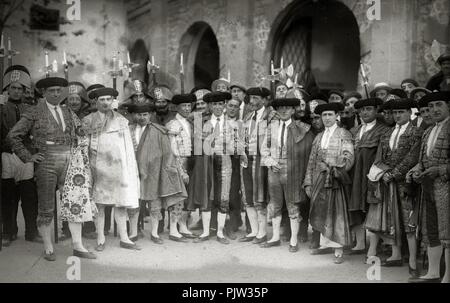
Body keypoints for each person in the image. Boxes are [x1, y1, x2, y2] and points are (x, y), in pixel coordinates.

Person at [8, 76, 96, 260]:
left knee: (75, 202)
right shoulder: (34, 111)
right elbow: (13, 135)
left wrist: (83, 135)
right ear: (43, 93)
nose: (56, 94)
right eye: (51, 91)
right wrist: (28, 156)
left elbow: (81, 131)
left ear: (62, 92)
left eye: (58, 90)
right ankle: (48, 247)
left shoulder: (68, 112)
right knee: (46, 205)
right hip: (46, 160)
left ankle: (77, 245)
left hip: (70, 160)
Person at [364, 99, 423, 276]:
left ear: (409, 113)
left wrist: (394, 174)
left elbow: (413, 157)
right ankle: (396, 255)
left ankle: (413, 261)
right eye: (395, 112)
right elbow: (380, 157)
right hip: (388, 182)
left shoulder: (416, 132)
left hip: (406, 183)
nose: (397, 116)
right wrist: (383, 173)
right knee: (393, 220)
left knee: (409, 222)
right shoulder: (387, 133)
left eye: (401, 112)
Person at [82, 87, 141, 251]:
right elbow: (84, 145)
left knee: (120, 204)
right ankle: (100, 237)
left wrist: (128, 167)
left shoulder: (121, 120)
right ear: (96, 101)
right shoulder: (88, 120)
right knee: (100, 204)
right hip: (98, 167)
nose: (106, 102)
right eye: (102, 100)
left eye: (109, 99)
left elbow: (127, 146)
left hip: (118, 167)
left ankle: (124, 237)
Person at [129, 102, 189, 244]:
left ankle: (155, 233)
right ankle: (132, 231)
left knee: (156, 202)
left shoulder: (159, 131)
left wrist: (172, 170)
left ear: (150, 115)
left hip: (155, 171)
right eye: (139, 114)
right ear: (133, 115)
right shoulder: (128, 130)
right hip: (133, 170)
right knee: (132, 201)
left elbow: (168, 153)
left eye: (145, 114)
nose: (142, 117)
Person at [260, 97, 314, 252]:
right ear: (276, 111)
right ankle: (275, 237)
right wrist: (270, 162)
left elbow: (307, 153)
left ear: (293, 110)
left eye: (287, 108)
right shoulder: (271, 127)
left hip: (294, 171)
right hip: (274, 170)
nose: (283, 110)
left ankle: (293, 240)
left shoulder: (303, 128)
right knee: (275, 204)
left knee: (293, 204)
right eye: (280, 108)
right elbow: (264, 149)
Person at [303, 102, 354, 264]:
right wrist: (308, 182)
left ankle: (338, 250)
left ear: (336, 116)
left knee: (336, 213)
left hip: (335, 179)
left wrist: (334, 168)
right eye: (324, 115)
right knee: (321, 211)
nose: (326, 118)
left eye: (329, 114)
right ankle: (325, 245)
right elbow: (311, 161)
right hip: (319, 179)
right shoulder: (319, 136)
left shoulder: (343, 134)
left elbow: (348, 156)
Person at [408, 91, 450, 283]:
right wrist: (416, 170)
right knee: (431, 230)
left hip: (446, 188)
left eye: (438, 105)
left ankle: (447, 276)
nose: (434, 110)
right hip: (429, 187)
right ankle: (433, 272)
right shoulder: (427, 131)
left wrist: (440, 170)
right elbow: (422, 161)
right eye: (431, 106)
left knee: (447, 231)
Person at [1, 65, 40, 247]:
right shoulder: (1, 108)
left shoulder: (30, 109)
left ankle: (32, 231)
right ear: (7, 89)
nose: (16, 91)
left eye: (19, 88)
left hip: (26, 156)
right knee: (8, 196)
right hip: (7, 154)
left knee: (29, 196)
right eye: (13, 88)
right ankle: (9, 231)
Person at [347, 98, 389, 255]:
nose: (365, 112)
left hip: (372, 175)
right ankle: (359, 244)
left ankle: (373, 247)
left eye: (369, 109)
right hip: (354, 175)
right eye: (362, 109)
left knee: (373, 209)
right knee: (355, 208)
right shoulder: (354, 131)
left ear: (376, 110)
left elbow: (384, 155)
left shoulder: (383, 130)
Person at [239, 87, 272, 244]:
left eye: (255, 98)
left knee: (260, 196)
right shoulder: (248, 116)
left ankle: (262, 233)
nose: (251, 101)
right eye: (250, 98)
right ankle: (253, 231)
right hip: (247, 159)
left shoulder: (271, 116)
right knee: (248, 195)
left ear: (264, 100)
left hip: (261, 160)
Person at [166, 93, 196, 240]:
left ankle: (183, 226)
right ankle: (173, 229)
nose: (186, 108)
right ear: (177, 108)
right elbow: (172, 149)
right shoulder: (172, 125)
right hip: (178, 161)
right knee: (177, 196)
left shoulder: (190, 123)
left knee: (187, 196)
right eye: (183, 106)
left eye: (189, 105)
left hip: (190, 161)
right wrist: (180, 168)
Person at [223, 96, 244, 240]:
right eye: (230, 105)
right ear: (226, 106)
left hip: (235, 162)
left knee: (233, 194)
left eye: (235, 106)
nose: (232, 108)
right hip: (221, 162)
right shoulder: (220, 122)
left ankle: (233, 223)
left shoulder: (241, 124)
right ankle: (219, 224)